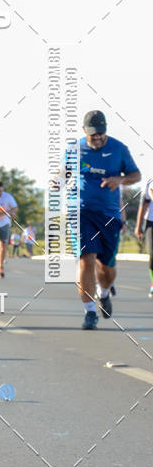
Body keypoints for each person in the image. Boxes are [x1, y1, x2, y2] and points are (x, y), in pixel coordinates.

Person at [74, 111, 140, 329]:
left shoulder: (119, 149)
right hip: (82, 212)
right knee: (86, 258)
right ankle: (89, 312)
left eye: (101, 133)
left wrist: (120, 179)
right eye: (93, 134)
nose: (98, 137)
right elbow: (63, 173)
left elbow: (135, 175)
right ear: (85, 131)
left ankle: (104, 292)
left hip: (109, 215)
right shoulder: (74, 149)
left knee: (106, 268)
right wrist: (58, 182)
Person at [135, 177, 153, 297]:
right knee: (152, 253)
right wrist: (138, 226)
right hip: (151, 222)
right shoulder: (149, 181)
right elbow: (144, 204)